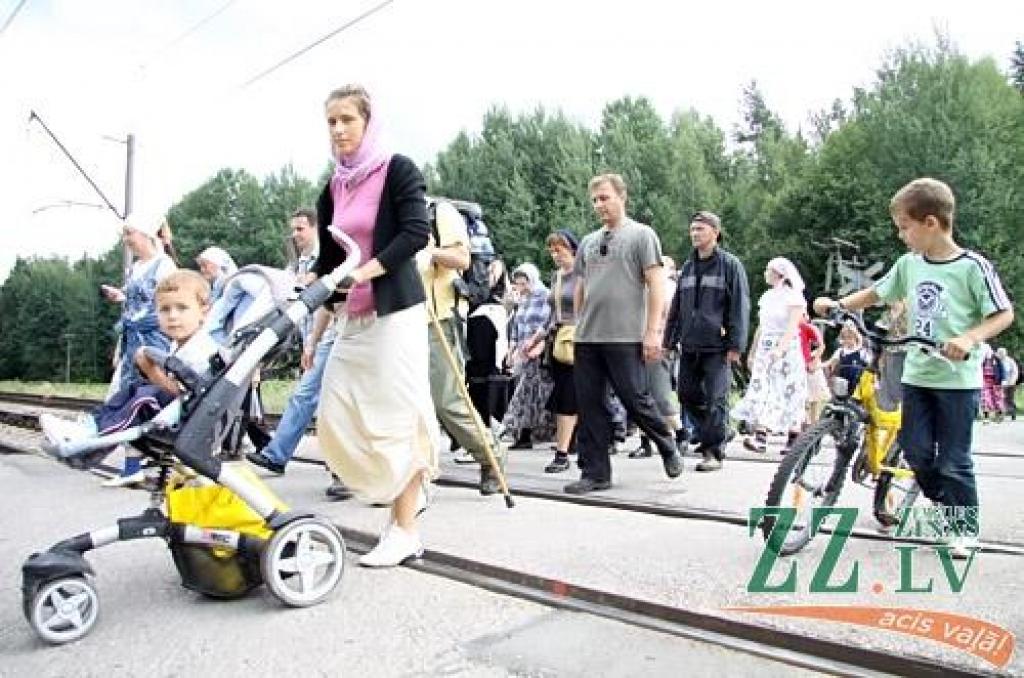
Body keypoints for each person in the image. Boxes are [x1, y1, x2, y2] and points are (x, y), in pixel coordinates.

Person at [814, 177, 1013, 558]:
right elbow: (877, 293)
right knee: (916, 450)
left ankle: (963, 526)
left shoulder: (972, 267)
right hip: (918, 375)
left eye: (905, 227)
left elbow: (1003, 313)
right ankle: (948, 504)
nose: (901, 235)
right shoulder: (909, 265)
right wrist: (839, 305)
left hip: (958, 380)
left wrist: (969, 339)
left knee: (953, 459)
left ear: (931, 223)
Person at [311, 84, 440, 568]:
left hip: (395, 312)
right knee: (335, 411)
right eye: (331, 121)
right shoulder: (333, 186)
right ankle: (408, 485)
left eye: (347, 119)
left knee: (397, 419)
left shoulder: (397, 169)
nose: (338, 129)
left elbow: (415, 233)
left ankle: (404, 529)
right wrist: (311, 290)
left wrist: (364, 272)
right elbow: (328, 257)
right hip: (353, 315)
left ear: (368, 123)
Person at [564, 173, 684, 495]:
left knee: (635, 399)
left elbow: (656, 284)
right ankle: (595, 472)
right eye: (594, 200)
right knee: (590, 405)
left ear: (622, 197)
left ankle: (667, 444)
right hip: (589, 337)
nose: (599, 205)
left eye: (604, 198)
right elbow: (581, 285)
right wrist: (577, 325)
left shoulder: (641, 235)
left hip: (626, 334)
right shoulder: (589, 242)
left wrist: (653, 332)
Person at [41, 271, 213, 471]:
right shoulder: (179, 345)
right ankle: (88, 429)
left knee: (145, 396)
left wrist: (151, 371)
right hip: (177, 411)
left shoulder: (201, 351)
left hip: (188, 417)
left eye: (182, 308)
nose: (173, 316)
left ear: (204, 311)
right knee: (134, 389)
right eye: (165, 309)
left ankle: (88, 441)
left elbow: (188, 395)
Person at [419, 197, 506, 494]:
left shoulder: (438, 212)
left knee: (447, 400)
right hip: (399, 320)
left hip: (438, 318)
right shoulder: (385, 215)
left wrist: (427, 251)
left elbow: (461, 258)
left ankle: (491, 455)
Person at [664, 211, 750, 471]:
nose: (694, 233)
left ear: (715, 232)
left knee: (716, 399)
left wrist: (735, 344)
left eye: (700, 229)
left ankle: (713, 452)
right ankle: (718, 431)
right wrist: (669, 340)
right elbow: (676, 307)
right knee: (686, 394)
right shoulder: (688, 267)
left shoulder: (730, 265)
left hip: (718, 346)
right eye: (692, 229)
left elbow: (739, 306)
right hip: (690, 344)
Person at [100, 214, 178, 485]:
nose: (126, 240)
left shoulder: (164, 266)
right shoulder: (136, 267)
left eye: (129, 233)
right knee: (125, 399)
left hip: (153, 341)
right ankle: (133, 465)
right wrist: (120, 297)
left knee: (144, 401)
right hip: (131, 341)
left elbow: (169, 305)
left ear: (146, 233)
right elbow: (135, 303)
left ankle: (155, 462)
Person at [732, 257, 809, 455]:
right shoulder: (767, 297)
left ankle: (793, 434)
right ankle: (761, 434)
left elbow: (792, 327)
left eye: (769, 270)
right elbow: (762, 326)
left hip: (786, 348)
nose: (766, 273)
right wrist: (753, 351)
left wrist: (781, 349)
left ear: (779, 274)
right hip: (766, 347)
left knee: (787, 390)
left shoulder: (794, 298)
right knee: (763, 389)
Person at [528, 230, 580, 474]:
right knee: (565, 398)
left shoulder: (585, 274)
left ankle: (565, 451)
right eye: (552, 251)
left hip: (580, 341)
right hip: (559, 342)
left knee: (572, 397)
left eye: (559, 249)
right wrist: (535, 339)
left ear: (572, 249)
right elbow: (552, 315)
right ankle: (565, 449)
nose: (555, 255)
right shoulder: (557, 277)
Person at [632, 255, 689, 460]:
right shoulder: (642, 288)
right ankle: (645, 441)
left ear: (670, 270)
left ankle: (681, 433)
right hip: (637, 344)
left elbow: (674, 319)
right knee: (639, 396)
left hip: (659, 346)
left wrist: (668, 343)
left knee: (659, 394)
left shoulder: (670, 289)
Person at [502, 262, 554, 449]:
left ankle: (516, 429)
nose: (520, 287)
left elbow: (547, 323)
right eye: (517, 283)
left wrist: (537, 344)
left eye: (523, 283)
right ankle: (522, 434)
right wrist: (511, 350)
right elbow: (516, 326)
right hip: (524, 353)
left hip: (538, 352)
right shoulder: (523, 300)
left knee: (531, 394)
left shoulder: (545, 295)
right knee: (525, 393)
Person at [798, 312, 829, 426]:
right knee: (802, 398)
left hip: (808, 366)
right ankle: (803, 422)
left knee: (814, 397)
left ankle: (813, 423)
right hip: (797, 366)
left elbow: (821, 345)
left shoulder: (808, 327)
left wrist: (814, 361)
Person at [824, 322, 871, 391]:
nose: (847, 341)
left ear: (855, 338)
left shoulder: (861, 352)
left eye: (850, 338)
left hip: (857, 386)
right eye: (844, 338)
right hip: (843, 384)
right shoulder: (841, 351)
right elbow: (830, 362)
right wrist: (818, 366)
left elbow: (870, 365)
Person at [979, 344, 1005, 422]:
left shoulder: (996, 359)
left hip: (996, 381)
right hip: (984, 381)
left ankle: (999, 415)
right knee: (985, 398)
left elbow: (1002, 368)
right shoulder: (982, 359)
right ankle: (986, 417)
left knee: (997, 398)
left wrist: (1003, 379)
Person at [997, 346, 1018, 421]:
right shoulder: (996, 361)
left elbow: (1015, 372)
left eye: (1002, 353)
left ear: (1006, 353)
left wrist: (1012, 381)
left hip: (1010, 383)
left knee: (1009, 399)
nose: (1001, 354)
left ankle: (1013, 413)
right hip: (999, 383)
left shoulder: (1010, 361)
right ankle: (1000, 415)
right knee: (1000, 399)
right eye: (999, 353)